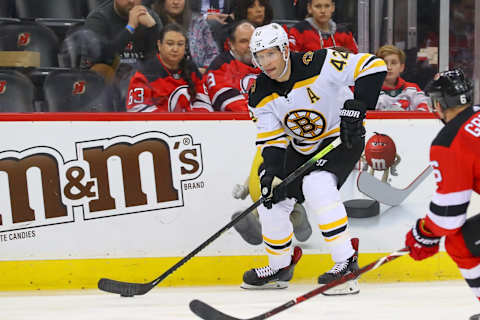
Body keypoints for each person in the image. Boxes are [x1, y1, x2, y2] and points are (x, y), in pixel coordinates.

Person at [243, 23, 386, 292]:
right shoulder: (259, 91)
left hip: (340, 138)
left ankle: (345, 263)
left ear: (285, 50)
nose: (266, 63)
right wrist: (271, 171)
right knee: (270, 197)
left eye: (270, 54)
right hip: (299, 147)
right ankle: (279, 266)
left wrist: (357, 107)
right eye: (259, 57)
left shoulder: (320, 62)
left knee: (317, 184)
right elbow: (272, 139)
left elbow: (373, 65)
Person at [404, 69, 480, 308]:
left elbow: (449, 215)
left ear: (438, 104)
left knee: (459, 243)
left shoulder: (449, 141)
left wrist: (424, 233)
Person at [125, 23, 212, 112]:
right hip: (158, 125)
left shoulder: (191, 69)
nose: (175, 49)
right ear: (159, 45)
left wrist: (190, 121)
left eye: (180, 44)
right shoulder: (144, 74)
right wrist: (171, 123)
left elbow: (204, 103)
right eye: (170, 44)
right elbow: (137, 110)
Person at [80, 0, 163, 80]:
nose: (131, 1)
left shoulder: (151, 18)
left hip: (141, 80)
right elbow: (97, 57)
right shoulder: (98, 19)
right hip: (107, 82)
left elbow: (161, 59)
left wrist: (153, 29)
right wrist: (130, 28)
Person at [204, 21, 260, 112]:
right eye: (244, 41)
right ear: (231, 44)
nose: (251, 46)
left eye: (254, 41)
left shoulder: (269, 63)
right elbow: (233, 106)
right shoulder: (220, 66)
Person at [152, 0, 219, 73]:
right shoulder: (153, 23)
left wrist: (205, 69)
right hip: (164, 76)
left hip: (200, 75)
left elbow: (213, 52)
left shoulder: (198, 22)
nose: (176, 2)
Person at [288, 0, 358, 54]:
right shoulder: (298, 31)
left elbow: (356, 58)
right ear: (309, 8)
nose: (323, 11)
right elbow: (291, 58)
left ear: (333, 7)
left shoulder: (344, 32)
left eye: (327, 6)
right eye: (318, 6)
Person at [375, 45, 431, 112]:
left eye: (393, 63)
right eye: (384, 63)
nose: (389, 67)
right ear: (377, 67)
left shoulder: (412, 89)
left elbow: (426, 105)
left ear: (401, 67)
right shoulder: (370, 91)